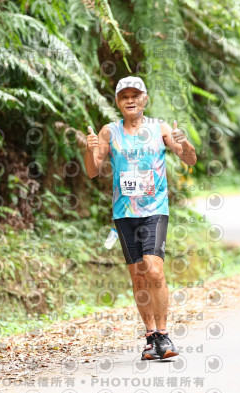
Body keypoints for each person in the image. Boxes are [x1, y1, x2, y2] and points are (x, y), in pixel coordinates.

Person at [83, 76, 197, 360]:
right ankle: (150, 337)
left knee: (154, 270)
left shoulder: (160, 128)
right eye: (124, 96)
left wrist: (185, 142)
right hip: (124, 214)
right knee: (137, 276)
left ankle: (164, 334)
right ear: (117, 102)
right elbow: (92, 171)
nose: (130, 100)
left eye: (135, 95)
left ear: (145, 99)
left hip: (155, 210)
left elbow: (189, 159)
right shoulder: (109, 132)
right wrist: (89, 149)